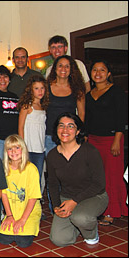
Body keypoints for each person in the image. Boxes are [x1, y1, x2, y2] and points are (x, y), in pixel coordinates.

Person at [47, 112, 108, 246]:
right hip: (67, 197)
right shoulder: (52, 155)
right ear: (56, 129)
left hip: (93, 196)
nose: (65, 130)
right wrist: (57, 206)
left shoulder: (90, 151)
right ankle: (77, 226)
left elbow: (99, 184)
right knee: (59, 240)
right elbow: (52, 183)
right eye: (61, 126)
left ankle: (91, 233)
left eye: (71, 126)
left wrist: (74, 202)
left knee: (81, 218)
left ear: (78, 131)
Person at [85, 60, 128, 226]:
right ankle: (99, 208)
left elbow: (121, 118)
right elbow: (88, 120)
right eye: (95, 70)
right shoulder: (90, 95)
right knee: (97, 177)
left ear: (109, 73)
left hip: (112, 140)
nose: (98, 73)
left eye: (102, 70)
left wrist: (117, 140)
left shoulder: (116, 92)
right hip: (93, 140)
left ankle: (112, 211)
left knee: (112, 176)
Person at [0, 135, 42, 248]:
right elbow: (3, 194)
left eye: (17, 148)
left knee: (23, 243)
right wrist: (9, 216)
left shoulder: (31, 169)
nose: (13, 151)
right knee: (4, 239)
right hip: (12, 211)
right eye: (10, 149)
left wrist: (22, 220)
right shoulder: (4, 169)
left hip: (29, 211)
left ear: (23, 149)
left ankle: (32, 224)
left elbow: (33, 197)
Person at [45, 55, 86, 156]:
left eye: (67, 66)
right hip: (49, 135)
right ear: (54, 68)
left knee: (70, 167)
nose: (63, 69)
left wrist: (78, 133)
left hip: (69, 135)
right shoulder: (46, 87)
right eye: (60, 66)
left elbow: (81, 113)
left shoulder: (77, 89)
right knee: (53, 168)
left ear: (71, 69)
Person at [17, 74, 49, 188]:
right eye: (36, 88)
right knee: (26, 178)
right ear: (30, 90)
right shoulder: (27, 106)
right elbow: (20, 127)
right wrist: (22, 147)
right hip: (28, 148)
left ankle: (36, 202)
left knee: (38, 177)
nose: (40, 91)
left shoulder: (43, 106)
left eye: (42, 88)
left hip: (40, 149)